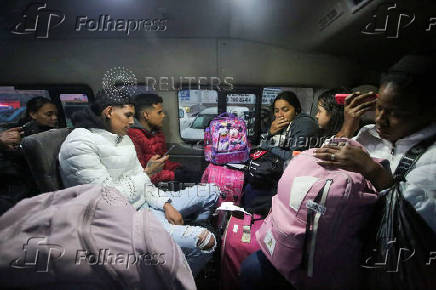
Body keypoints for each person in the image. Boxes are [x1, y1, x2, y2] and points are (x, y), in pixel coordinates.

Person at [59, 90, 219, 276]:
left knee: (213, 190)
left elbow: (145, 184)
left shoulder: (122, 137)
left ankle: (181, 250)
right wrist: (148, 172)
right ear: (109, 112)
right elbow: (105, 199)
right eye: (127, 115)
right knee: (206, 241)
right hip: (124, 221)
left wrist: (166, 204)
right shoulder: (79, 144)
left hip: (148, 204)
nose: (131, 122)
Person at [0, 97, 59, 214]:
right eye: (49, 114)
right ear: (33, 114)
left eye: (56, 114)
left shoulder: (51, 134)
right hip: (17, 185)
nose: (55, 118)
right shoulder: (20, 136)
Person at [128, 94, 200, 186]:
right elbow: (142, 174)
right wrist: (174, 175)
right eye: (159, 112)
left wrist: (178, 168)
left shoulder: (157, 132)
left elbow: (163, 162)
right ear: (146, 115)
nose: (163, 116)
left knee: (196, 175)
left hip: (163, 176)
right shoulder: (134, 137)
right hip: (150, 184)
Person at [259, 91, 319, 160]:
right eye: (276, 111)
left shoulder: (305, 124)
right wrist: (270, 133)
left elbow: (295, 156)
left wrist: (270, 147)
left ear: (296, 110)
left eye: (285, 110)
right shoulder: (283, 125)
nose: (280, 115)